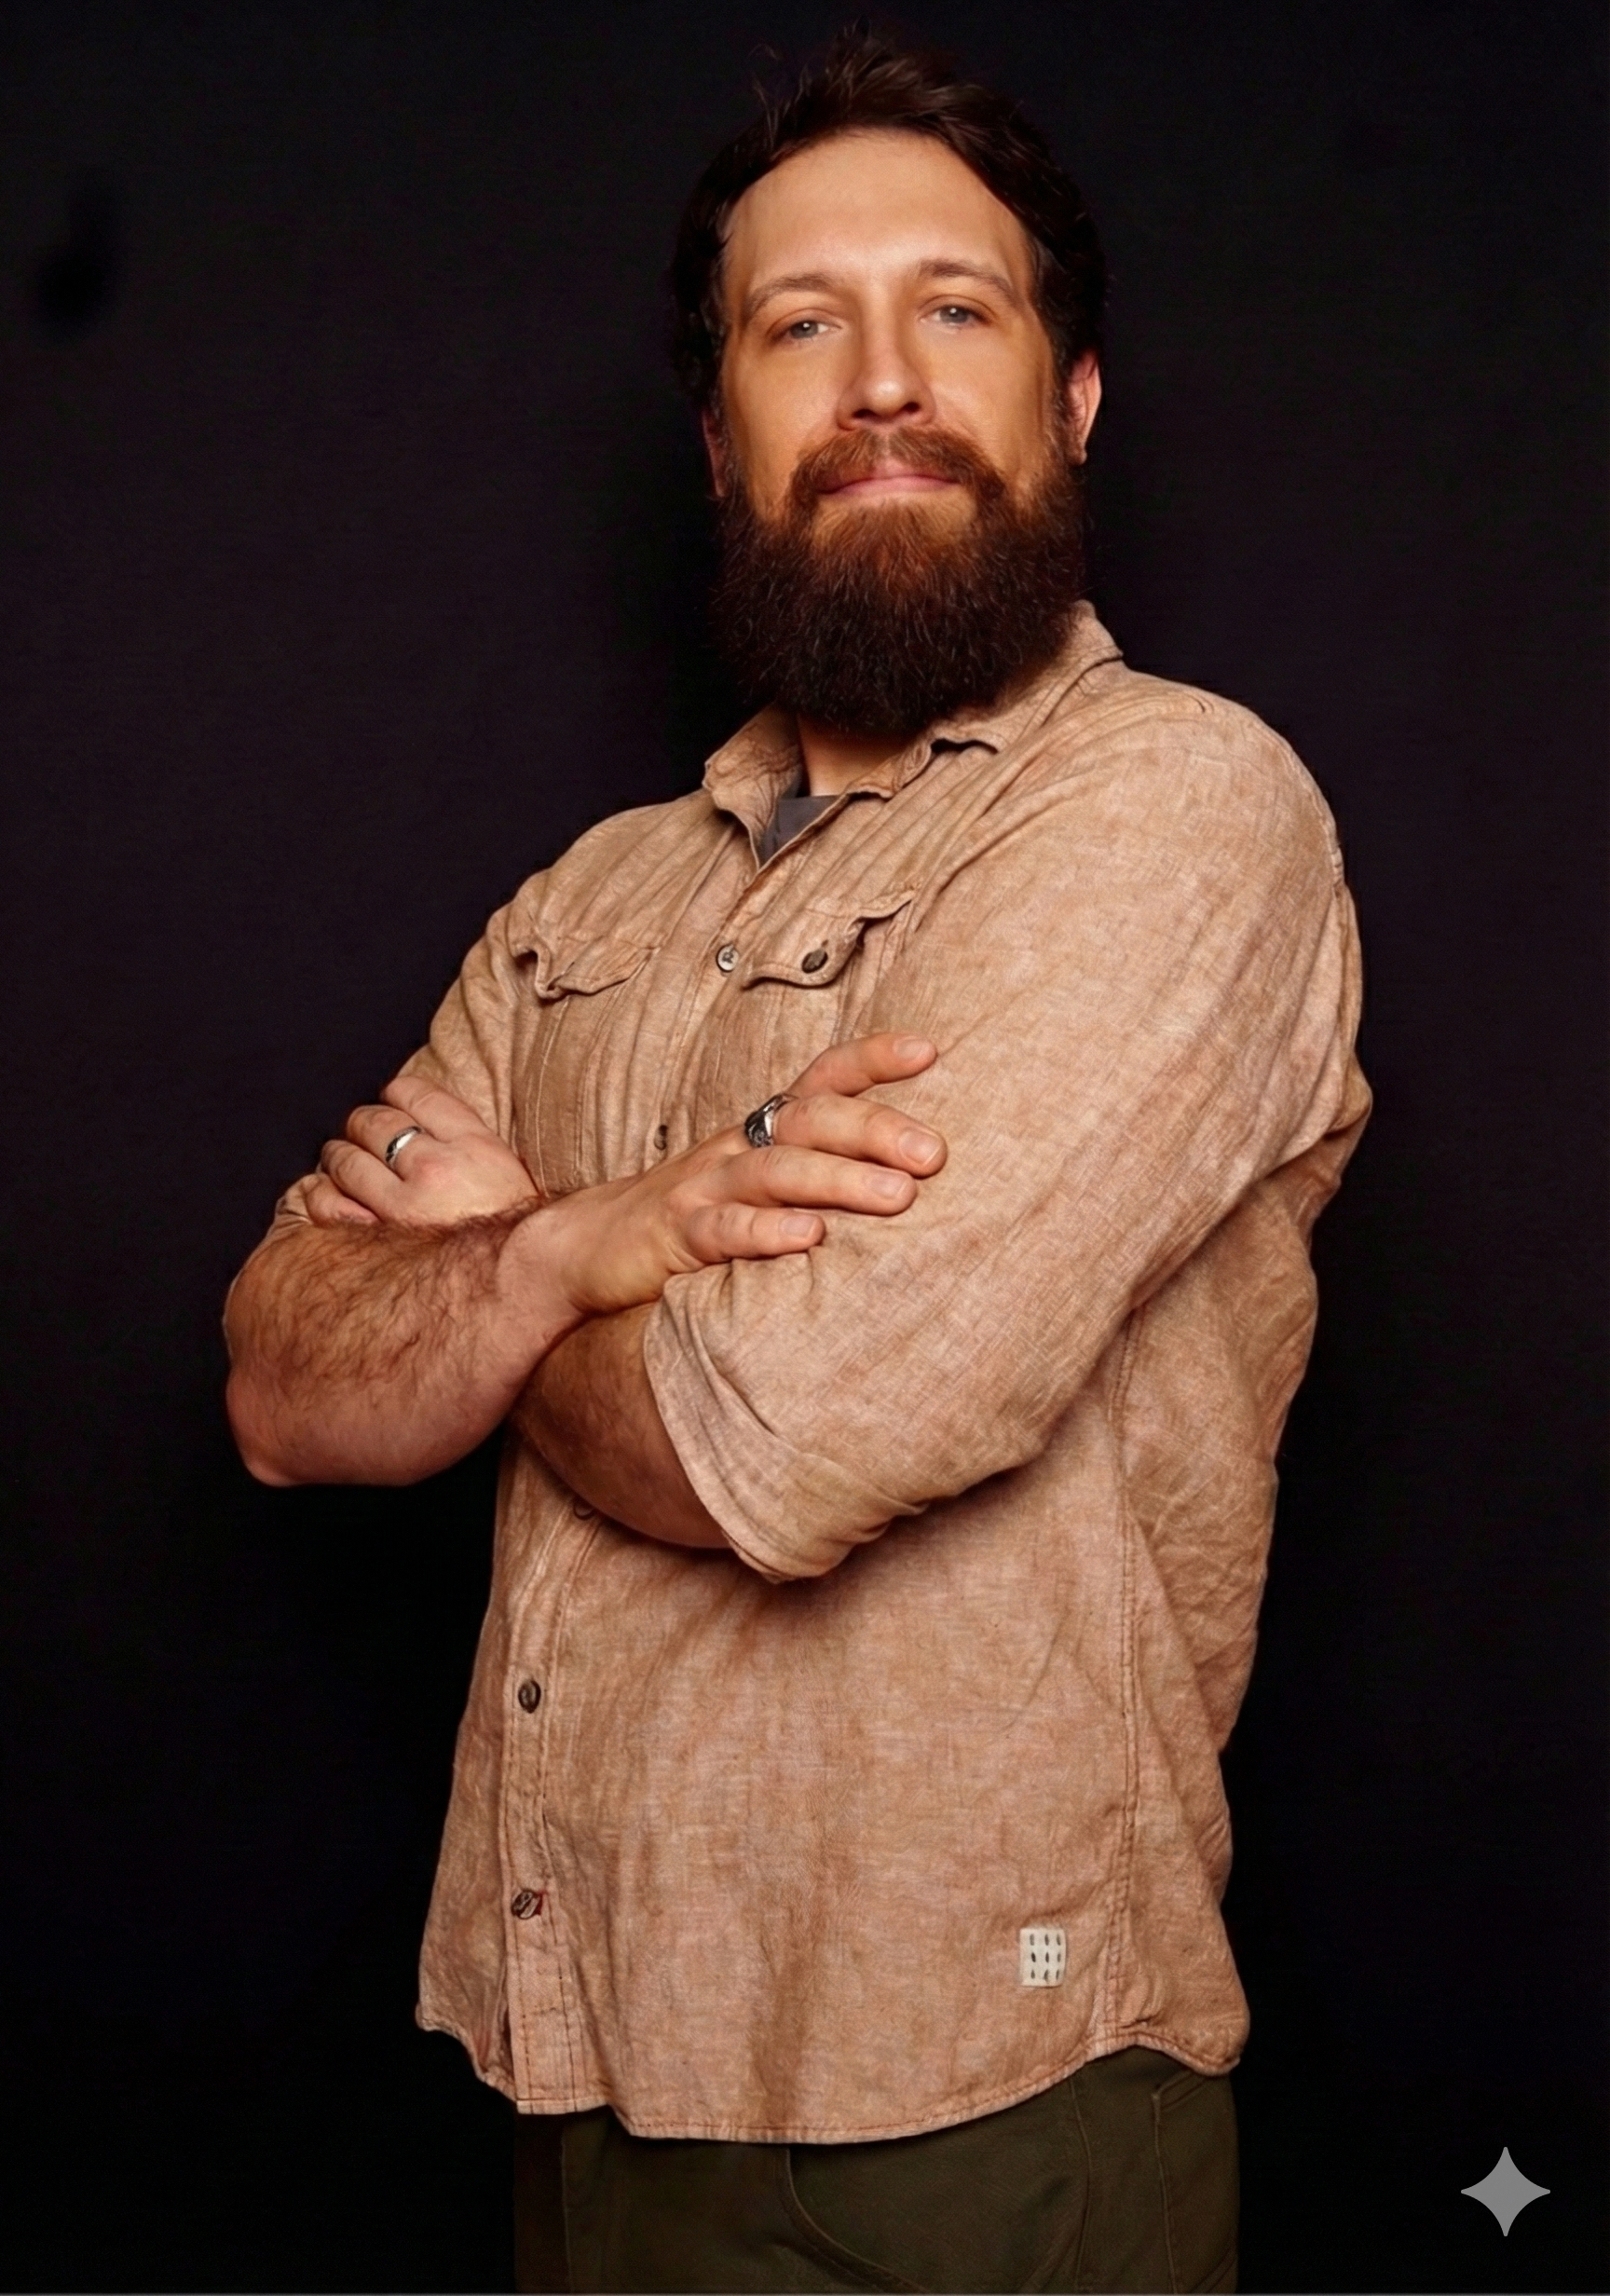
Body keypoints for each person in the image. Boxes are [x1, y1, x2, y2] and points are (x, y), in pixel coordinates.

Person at [225, 30, 1371, 2295]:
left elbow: (787, 1427)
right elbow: (280, 1382)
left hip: (972, 2105)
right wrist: (580, 1242)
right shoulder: (589, 897)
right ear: (720, 435)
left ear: (1074, 397)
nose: (881, 381)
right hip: (572, 2051)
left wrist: (491, 1271)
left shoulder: (1175, 808)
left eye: (955, 307)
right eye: (798, 326)